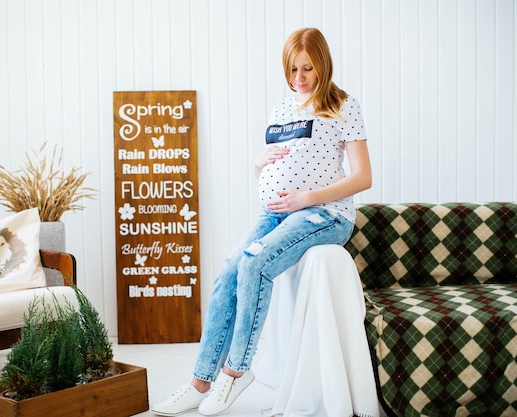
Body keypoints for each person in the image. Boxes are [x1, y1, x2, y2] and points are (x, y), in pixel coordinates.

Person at [151, 27, 372, 416]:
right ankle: (200, 382)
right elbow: (282, 164)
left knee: (255, 265)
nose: (299, 78)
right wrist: (259, 165)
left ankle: (236, 374)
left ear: (323, 65)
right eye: (292, 69)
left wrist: (307, 198)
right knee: (228, 272)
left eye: (307, 69)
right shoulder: (282, 108)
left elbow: (362, 177)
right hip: (277, 212)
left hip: (325, 214)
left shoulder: (344, 106)